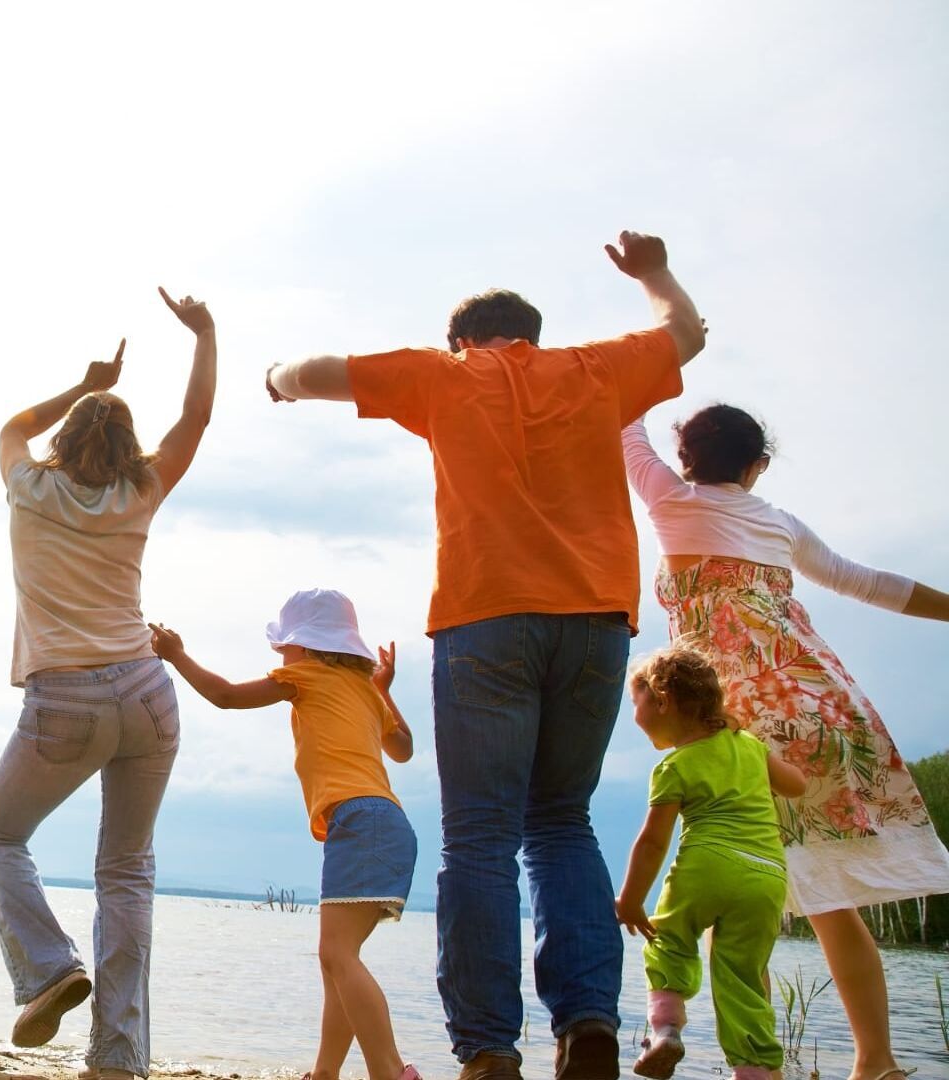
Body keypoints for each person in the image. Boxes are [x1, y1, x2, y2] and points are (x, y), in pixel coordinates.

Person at [264, 232, 706, 1080]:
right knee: (563, 822)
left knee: (477, 838)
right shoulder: (597, 370)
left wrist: (277, 379)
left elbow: (321, 371)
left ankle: (490, 1048)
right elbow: (686, 334)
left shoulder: (444, 374)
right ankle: (587, 1026)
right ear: (531, 334)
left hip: (484, 620)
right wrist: (651, 275)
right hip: (596, 625)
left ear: (462, 340)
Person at [622, 404, 949, 1080]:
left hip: (738, 719)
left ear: (686, 460)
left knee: (732, 905)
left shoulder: (669, 500)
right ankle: (877, 1062)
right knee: (827, 901)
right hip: (821, 707)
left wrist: (654, 367)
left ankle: (753, 1067)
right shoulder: (778, 522)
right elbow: (869, 583)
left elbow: (623, 427)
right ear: (757, 465)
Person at [0, 287, 216, 1080]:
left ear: (68, 438)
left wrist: (83, 383)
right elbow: (197, 421)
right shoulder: (140, 492)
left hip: (66, 699)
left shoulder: (28, 489)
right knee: (126, 873)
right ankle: (117, 1060)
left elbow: (12, 427)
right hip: (148, 693)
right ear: (125, 447)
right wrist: (205, 334)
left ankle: (47, 968)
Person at [149, 590, 420, 1080]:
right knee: (336, 961)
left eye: (285, 645)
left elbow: (227, 696)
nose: (280, 654)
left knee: (337, 956)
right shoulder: (362, 688)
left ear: (305, 645)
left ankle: (391, 1071)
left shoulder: (305, 675)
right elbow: (403, 749)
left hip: (359, 820)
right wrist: (385, 688)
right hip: (386, 824)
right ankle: (325, 1073)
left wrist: (177, 655)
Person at [613, 643, 807, 1080]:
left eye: (636, 702)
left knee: (669, 939)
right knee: (743, 982)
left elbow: (652, 843)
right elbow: (796, 786)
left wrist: (631, 900)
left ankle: (664, 1031)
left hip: (707, 864)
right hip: (765, 877)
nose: (634, 715)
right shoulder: (752, 747)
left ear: (661, 700)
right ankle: (755, 1070)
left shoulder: (674, 767)